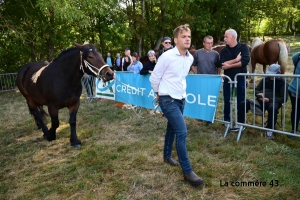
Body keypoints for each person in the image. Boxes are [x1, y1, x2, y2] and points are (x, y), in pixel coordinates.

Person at [150, 24, 204, 187]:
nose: (187, 39)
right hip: (167, 99)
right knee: (182, 132)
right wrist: (158, 94)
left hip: (181, 98)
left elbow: (181, 78)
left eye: (189, 36)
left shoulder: (189, 58)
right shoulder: (166, 57)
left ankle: (167, 156)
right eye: (183, 36)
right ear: (175, 40)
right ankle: (188, 171)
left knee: (172, 128)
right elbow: (154, 78)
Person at [237, 64, 288, 139]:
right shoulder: (265, 79)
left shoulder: (283, 83)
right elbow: (256, 89)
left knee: (272, 108)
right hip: (260, 101)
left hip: (273, 102)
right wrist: (258, 94)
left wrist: (269, 100)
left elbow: (284, 98)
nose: (271, 76)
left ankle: (270, 130)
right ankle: (240, 125)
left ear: (279, 72)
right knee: (242, 104)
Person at [219, 29, 250, 126]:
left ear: (233, 37)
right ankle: (227, 120)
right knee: (227, 100)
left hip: (240, 80)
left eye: (226, 37)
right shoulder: (224, 50)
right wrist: (236, 60)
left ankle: (241, 122)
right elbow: (222, 64)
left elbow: (245, 61)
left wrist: (229, 64)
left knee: (241, 101)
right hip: (228, 80)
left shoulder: (243, 47)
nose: (224, 39)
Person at [288, 52, 300, 136]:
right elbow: (294, 57)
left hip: (294, 88)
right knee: (296, 110)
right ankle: (294, 130)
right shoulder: (298, 57)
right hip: (295, 89)